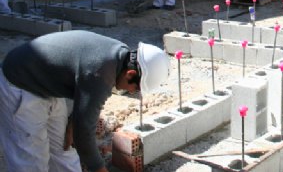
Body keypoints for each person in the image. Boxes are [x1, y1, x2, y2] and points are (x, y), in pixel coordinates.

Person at [0, 30, 170, 172]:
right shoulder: (102, 72)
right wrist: (100, 169)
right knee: (31, 159)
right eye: (137, 88)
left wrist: (75, 122)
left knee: (64, 148)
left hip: (48, 84)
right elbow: (84, 137)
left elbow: (83, 98)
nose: (132, 92)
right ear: (130, 74)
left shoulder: (119, 57)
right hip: (21, 82)